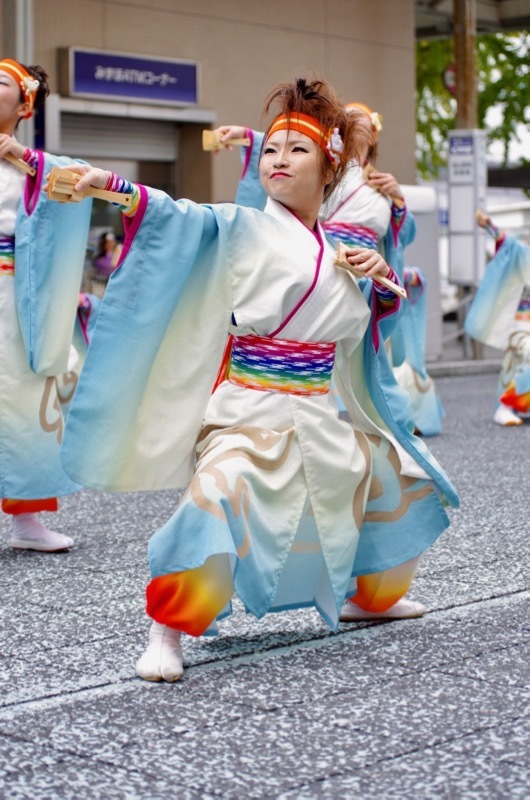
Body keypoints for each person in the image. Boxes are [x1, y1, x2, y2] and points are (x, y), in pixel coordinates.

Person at [59, 76, 458, 683]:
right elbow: (179, 215)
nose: (277, 160)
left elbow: (358, 333)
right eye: (270, 149)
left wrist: (378, 284)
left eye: (296, 150)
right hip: (248, 410)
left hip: (320, 411)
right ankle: (166, 628)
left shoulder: (341, 248)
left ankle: (371, 598)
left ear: (329, 168)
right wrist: (118, 189)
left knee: (397, 478)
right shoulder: (243, 226)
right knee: (215, 496)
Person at [214, 103, 445, 436]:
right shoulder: (325, 170)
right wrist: (249, 139)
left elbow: (402, 235)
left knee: (372, 354)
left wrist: (397, 203)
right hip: (319, 263)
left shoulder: (379, 183)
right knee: (301, 337)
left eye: (366, 120)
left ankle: (392, 424)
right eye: (352, 119)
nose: (359, 123)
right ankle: (296, 413)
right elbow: (291, 153)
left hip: (362, 270)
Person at [0, 58, 91, 551]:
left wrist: (29, 162)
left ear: (24, 103)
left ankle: (26, 521)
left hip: (15, 299)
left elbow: (80, 185)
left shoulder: (37, 166)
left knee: (21, 399)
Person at [465, 209, 530, 426]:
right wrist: (489, 225)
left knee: (514, 364)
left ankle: (510, 405)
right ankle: (505, 405)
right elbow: (507, 243)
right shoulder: (524, 255)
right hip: (520, 326)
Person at [90, 231, 122, 297]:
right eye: (107, 242)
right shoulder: (99, 260)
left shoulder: (117, 255)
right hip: (101, 289)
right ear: (103, 244)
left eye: (112, 242)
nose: (110, 244)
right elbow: (109, 268)